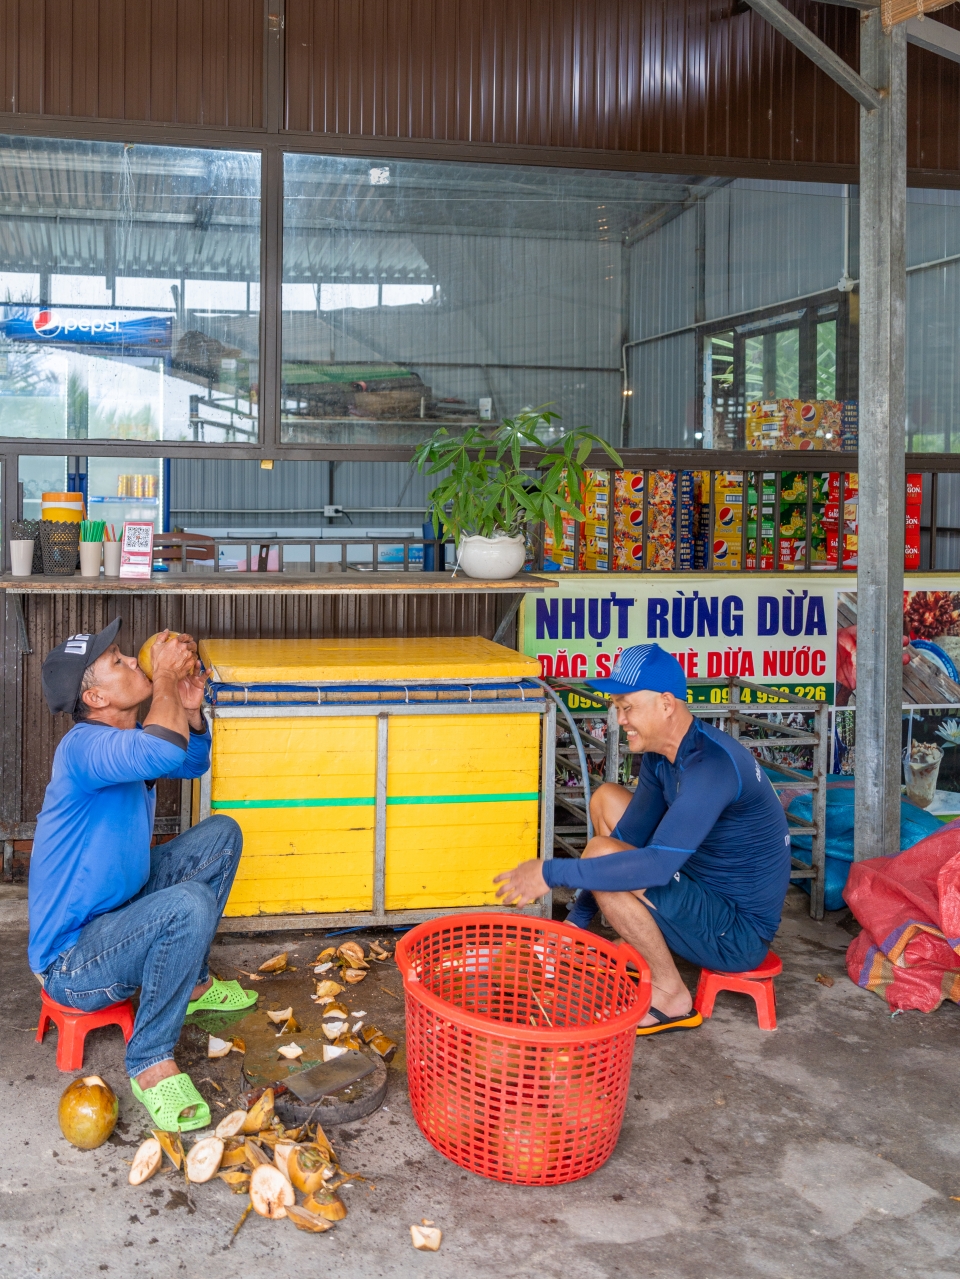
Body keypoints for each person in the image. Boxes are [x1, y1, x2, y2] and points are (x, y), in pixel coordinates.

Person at [29, 618, 257, 1131]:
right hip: (72, 962)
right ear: (95, 697)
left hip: (121, 913)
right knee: (188, 904)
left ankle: (192, 986)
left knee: (222, 834)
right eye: (117, 661)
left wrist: (190, 709)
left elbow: (188, 759)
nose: (133, 659)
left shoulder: (126, 737)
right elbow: (160, 748)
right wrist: (167, 685)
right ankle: (150, 1060)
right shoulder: (84, 747)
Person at [495, 643, 791, 1035]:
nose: (620, 719)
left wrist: (550, 872)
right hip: (700, 887)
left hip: (736, 934)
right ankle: (631, 930)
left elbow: (655, 865)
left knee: (605, 859)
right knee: (607, 802)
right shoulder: (661, 755)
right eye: (617, 707)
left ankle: (672, 997)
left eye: (627, 706)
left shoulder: (710, 767)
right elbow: (629, 835)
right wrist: (576, 927)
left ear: (666, 704)